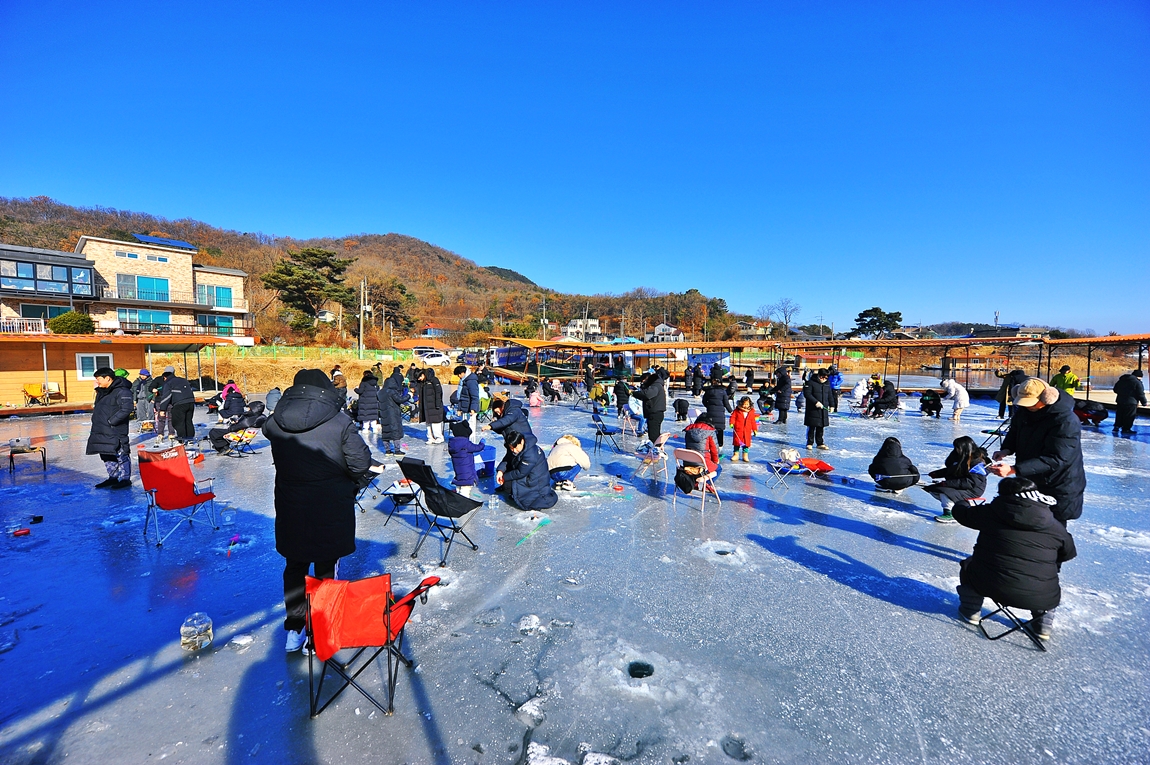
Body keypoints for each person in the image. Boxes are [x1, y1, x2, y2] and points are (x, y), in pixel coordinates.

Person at [262, 369, 373, 653]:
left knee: (295, 567)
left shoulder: (276, 423)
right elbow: (361, 463)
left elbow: (269, 433)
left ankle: (294, 629)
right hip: (330, 507)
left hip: (291, 506)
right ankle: (320, 631)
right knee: (326, 569)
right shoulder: (339, 422)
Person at [953, 477, 1077, 641]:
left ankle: (971, 612)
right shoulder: (1053, 523)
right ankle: (1042, 625)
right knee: (1044, 582)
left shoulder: (991, 512)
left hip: (990, 584)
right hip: (1041, 595)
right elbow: (1068, 553)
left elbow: (962, 514)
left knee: (969, 565)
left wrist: (964, 503)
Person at [990, 378, 1086, 525]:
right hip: (1031, 477)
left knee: (1053, 528)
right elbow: (1016, 430)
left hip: (1057, 482)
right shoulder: (1024, 411)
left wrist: (1014, 470)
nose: (1028, 407)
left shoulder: (1065, 421)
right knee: (1028, 520)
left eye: (1032, 403)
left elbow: (1057, 458)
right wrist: (1007, 449)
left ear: (1047, 397)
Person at [87, 367, 135, 489]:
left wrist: (112, 421)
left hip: (115, 429)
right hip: (101, 428)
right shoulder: (101, 392)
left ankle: (125, 479)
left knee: (120, 453)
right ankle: (113, 477)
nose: (97, 382)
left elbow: (127, 409)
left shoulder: (122, 391)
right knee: (106, 453)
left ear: (108, 378)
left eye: (98, 379)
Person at [923, 435, 988, 523]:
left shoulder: (976, 463)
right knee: (934, 489)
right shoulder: (960, 457)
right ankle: (961, 506)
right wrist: (937, 474)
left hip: (973, 489)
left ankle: (950, 513)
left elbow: (971, 482)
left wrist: (947, 483)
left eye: (958, 448)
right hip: (960, 485)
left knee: (944, 491)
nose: (956, 450)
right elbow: (953, 470)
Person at [497, 431, 558, 511]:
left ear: (522, 441)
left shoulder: (530, 455)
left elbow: (520, 473)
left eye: (516, 447)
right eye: (511, 448)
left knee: (508, 485)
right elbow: (508, 458)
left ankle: (515, 494)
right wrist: (500, 471)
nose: (514, 450)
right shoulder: (521, 447)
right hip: (529, 475)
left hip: (534, 481)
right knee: (507, 477)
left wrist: (504, 477)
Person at [156, 366, 196, 443]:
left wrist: (162, 409)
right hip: (190, 402)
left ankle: (181, 439)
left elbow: (166, 397)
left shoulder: (168, 382)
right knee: (188, 421)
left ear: (165, 377)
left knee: (178, 421)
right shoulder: (183, 380)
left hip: (179, 403)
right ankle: (190, 438)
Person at [448, 420, 485, 497]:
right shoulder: (466, 443)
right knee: (465, 491)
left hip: (458, 473)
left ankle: (457, 497)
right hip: (467, 474)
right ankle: (463, 504)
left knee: (459, 486)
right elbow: (477, 448)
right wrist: (482, 443)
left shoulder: (452, 444)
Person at [378, 366, 409, 455]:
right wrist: (409, 396)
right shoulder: (392, 392)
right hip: (393, 414)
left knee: (386, 432)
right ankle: (397, 450)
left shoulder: (380, 392)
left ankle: (387, 450)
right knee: (395, 432)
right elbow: (399, 400)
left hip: (384, 415)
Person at [630, 372, 668, 443]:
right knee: (654, 434)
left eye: (644, 380)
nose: (643, 382)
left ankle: (656, 450)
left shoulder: (655, 386)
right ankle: (657, 448)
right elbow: (646, 397)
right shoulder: (656, 385)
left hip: (655, 413)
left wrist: (633, 393)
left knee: (653, 436)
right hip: (655, 413)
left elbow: (647, 394)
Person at [802, 368, 834, 450]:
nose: (824, 379)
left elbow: (830, 395)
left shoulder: (827, 384)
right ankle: (810, 443)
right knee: (812, 427)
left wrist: (832, 405)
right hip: (813, 409)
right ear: (819, 375)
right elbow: (807, 394)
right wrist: (816, 402)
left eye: (826, 378)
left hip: (823, 409)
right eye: (823, 377)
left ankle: (820, 443)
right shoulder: (810, 382)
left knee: (821, 427)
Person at [683, 414, 721, 478]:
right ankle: (707, 485)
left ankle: (695, 483)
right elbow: (714, 450)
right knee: (718, 468)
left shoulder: (689, 430)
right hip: (703, 464)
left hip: (688, 463)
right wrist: (715, 461)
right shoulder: (710, 431)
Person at [1112, 369, 1146, 435]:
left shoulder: (1122, 380)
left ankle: (1116, 426)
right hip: (1131, 402)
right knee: (1129, 416)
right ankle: (1126, 428)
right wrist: (1144, 402)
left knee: (1119, 415)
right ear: (1139, 376)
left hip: (1120, 401)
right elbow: (1140, 393)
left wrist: (1122, 394)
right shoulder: (1137, 382)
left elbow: (1115, 389)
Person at [417, 367, 445, 444]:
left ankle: (439, 437)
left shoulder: (434, 380)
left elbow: (438, 392)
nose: (419, 379)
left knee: (435, 422)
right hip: (426, 406)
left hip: (434, 406)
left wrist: (438, 404)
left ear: (423, 375)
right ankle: (430, 437)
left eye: (420, 377)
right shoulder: (423, 383)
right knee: (428, 422)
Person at [729, 396, 758, 462]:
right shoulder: (737, 410)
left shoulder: (751, 412)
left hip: (747, 430)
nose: (745, 406)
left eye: (747, 404)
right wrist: (732, 423)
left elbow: (753, 421)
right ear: (741, 403)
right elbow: (733, 417)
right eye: (744, 404)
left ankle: (745, 455)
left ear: (750, 404)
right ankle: (736, 454)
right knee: (737, 443)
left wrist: (754, 429)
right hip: (738, 429)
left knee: (746, 444)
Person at [457, 364, 481, 442]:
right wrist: (459, 409)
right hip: (465, 409)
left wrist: (473, 409)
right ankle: (465, 443)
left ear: (463, 373)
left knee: (470, 428)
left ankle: (471, 443)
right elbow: (462, 397)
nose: (458, 376)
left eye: (459, 374)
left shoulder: (471, 381)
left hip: (470, 410)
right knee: (464, 428)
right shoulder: (464, 381)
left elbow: (475, 396)